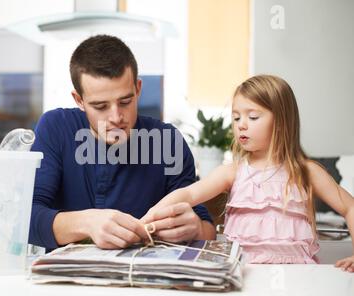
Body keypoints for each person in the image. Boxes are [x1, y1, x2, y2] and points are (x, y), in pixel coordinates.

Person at [143, 75, 354, 271]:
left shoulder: (306, 172)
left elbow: (349, 206)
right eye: (236, 118)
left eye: (252, 117)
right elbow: (187, 195)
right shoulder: (232, 172)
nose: (241, 125)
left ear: (281, 121)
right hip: (244, 276)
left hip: (298, 278)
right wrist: (146, 220)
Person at [29, 35, 215, 251]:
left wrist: (195, 229)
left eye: (125, 101)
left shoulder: (167, 141)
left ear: (138, 88)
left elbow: (207, 230)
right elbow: (25, 218)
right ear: (79, 100)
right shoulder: (56, 127)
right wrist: (87, 223)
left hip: (144, 279)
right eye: (100, 106)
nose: (116, 117)